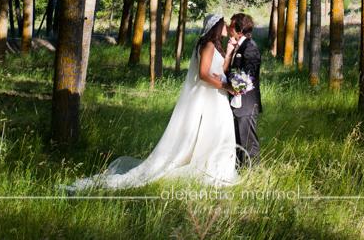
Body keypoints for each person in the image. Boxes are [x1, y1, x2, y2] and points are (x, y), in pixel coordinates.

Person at [60, 14, 238, 191]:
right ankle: (210, 167)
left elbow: (219, 70)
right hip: (211, 95)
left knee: (217, 130)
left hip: (216, 96)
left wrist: (229, 52)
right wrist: (226, 86)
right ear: (216, 27)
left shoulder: (215, 46)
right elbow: (203, 74)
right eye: (223, 24)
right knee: (216, 129)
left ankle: (216, 165)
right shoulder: (207, 45)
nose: (226, 27)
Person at [225, 13, 262, 166]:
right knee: (239, 142)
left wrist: (225, 83)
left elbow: (247, 77)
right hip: (238, 103)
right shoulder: (239, 46)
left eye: (231, 25)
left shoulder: (250, 47)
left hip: (246, 103)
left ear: (239, 30)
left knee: (248, 142)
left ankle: (254, 173)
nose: (228, 27)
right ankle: (240, 171)